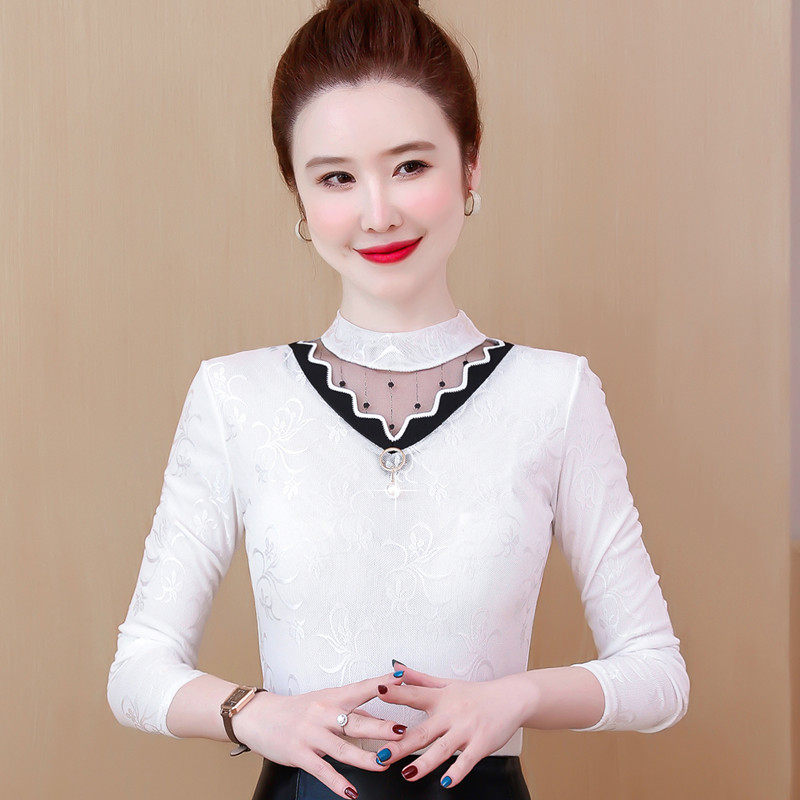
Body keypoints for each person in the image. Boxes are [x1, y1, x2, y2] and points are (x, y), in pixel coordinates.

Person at [106, 0, 690, 798]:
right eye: (337, 178)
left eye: (410, 166)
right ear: (299, 196)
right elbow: (137, 670)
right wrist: (257, 714)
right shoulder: (235, 396)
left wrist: (516, 697)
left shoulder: (555, 394)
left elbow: (658, 674)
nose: (377, 213)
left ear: (471, 165)